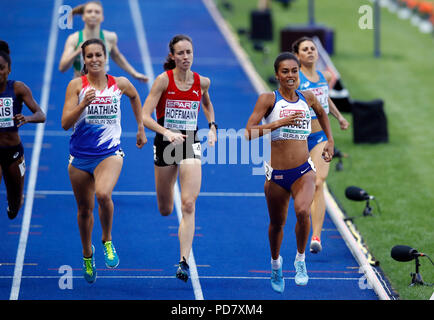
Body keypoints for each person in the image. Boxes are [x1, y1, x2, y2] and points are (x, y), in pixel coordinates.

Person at [245, 52, 334, 293]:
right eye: (285, 72)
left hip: (303, 171)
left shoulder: (307, 97)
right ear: (277, 75)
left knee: (303, 211)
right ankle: (276, 264)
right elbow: (248, 132)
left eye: (294, 71)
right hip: (276, 175)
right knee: (277, 224)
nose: (291, 75)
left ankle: (300, 260)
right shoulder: (268, 100)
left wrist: (330, 141)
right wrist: (278, 124)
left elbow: (323, 113)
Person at [61, 38, 147, 284]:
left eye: (99, 55)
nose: (95, 59)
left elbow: (134, 97)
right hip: (79, 158)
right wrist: (83, 105)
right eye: (90, 56)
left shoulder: (119, 84)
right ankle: (88, 254)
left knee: (103, 194)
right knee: (84, 211)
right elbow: (66, 123)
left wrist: (140, 128)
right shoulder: (76, 86)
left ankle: (107, 240)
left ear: (105, 56)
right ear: (84, 60)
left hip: (109, 153)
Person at [142, 34, 217, 282]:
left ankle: (183, 260)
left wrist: (213, 126)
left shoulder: (202, 81)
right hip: (165, 143)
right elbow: (145, 115)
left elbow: (206, 103)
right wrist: (166, 132)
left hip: (189, 143)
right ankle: (167, 204)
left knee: (187, 204)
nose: (186, 57)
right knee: (165, 208)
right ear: (172, 56)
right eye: (181, 53)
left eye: (189, 52)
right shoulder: (163, 81)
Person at [292, 37, 349, 254]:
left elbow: (325, 100)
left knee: (319, 181)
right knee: (300, 185)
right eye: (305, 49)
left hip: (320, 138)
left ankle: (316, 236)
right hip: (298, 138)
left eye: (312, 49)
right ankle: (302, 213)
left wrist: (340, 117)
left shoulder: (324, 76)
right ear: (297, 56)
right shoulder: (295, 79)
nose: (310, 52)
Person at [0, 40, 46, 219]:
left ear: (8, 70)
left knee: (15, 205)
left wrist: (27, 118)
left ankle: (16, 202)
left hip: (13, 153)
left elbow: (41, 114)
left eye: (1, 68)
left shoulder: (18, 88)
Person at [58, 1, 148, 82]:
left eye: (97, 12)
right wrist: (77, 51)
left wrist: (134, 73)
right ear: (83, 17)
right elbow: (62, 67)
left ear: (102, 17)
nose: (93, 15)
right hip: (80, 89)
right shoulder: (75, 39)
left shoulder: (109, 38)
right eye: (89, 12)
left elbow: (116, 56)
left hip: (102, 90)